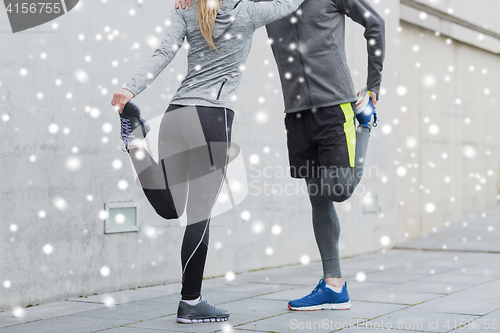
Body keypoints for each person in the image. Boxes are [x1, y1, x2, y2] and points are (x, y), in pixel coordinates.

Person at [176, 0, 386, 311]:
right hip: (297, 112)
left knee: (339, 189)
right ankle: (333, 285)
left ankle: (366, 125)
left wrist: (373, 86)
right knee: (319, 197)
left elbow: (375, 23)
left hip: (335, 106)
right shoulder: (268, 4)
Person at [111, 0, 307, 324]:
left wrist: (130, 88)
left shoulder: (186, 9)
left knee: (171, 208)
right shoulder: (249, 12)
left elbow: (163, 53)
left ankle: (135, 143)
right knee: (198, 216)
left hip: (177, 116)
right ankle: (190, 302)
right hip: (213, 119)